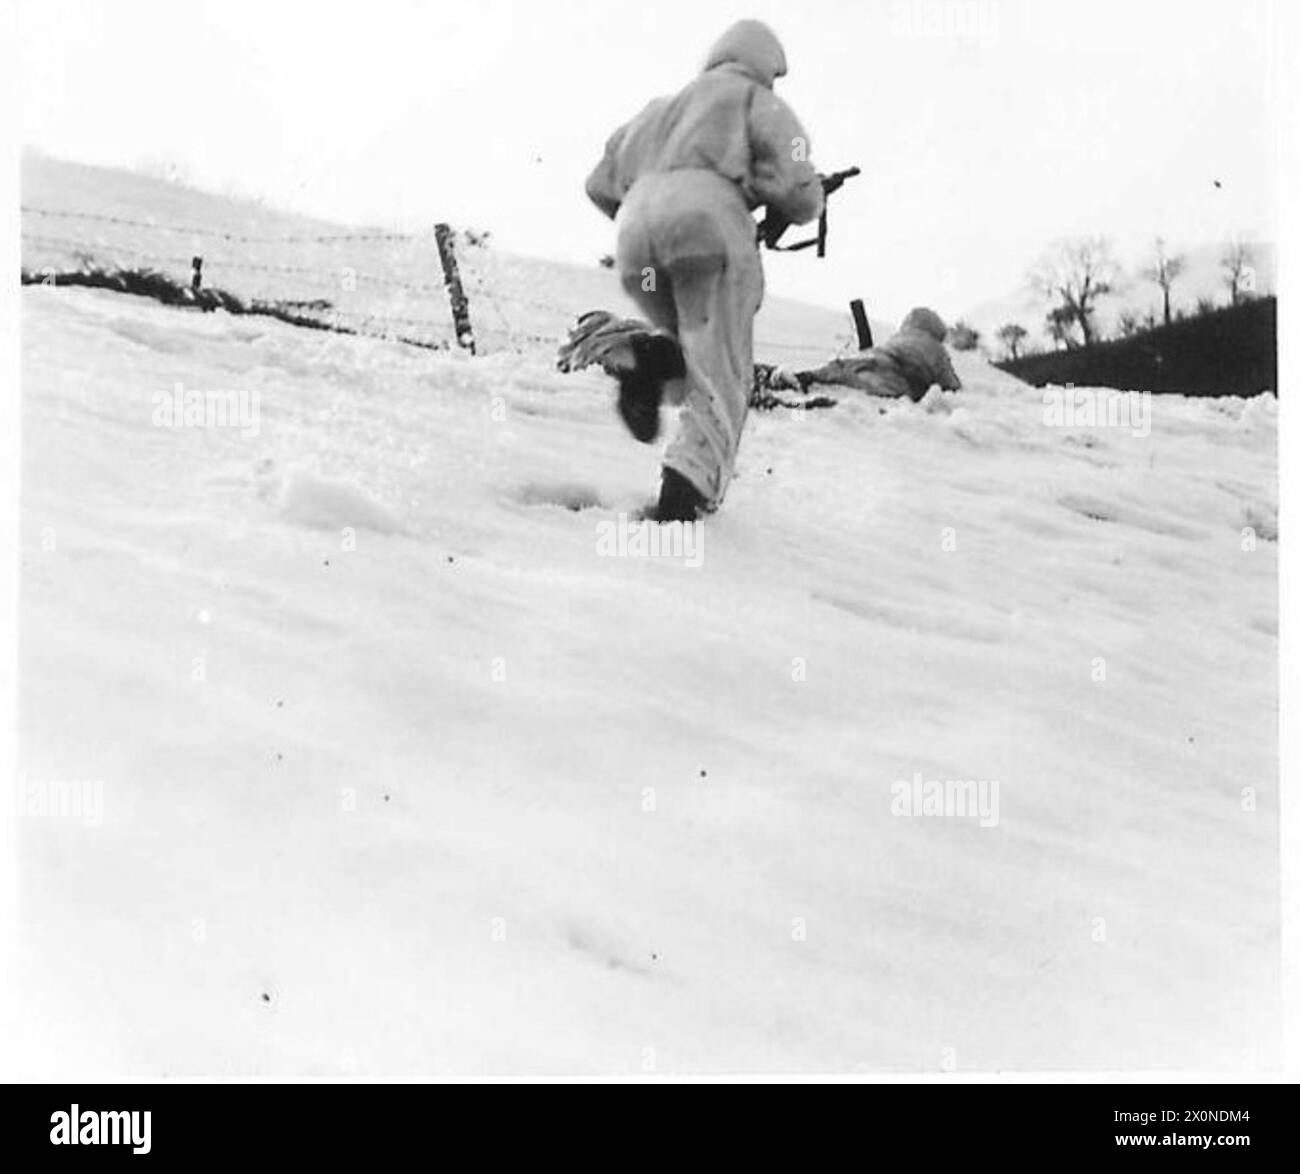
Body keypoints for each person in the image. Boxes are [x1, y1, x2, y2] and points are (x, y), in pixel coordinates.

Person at [585, 19, 823, 521]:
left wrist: (650, 211)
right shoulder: (760, 102)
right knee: (723, 372)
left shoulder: (657, 110)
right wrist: (797, 197)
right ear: (765, 66)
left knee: (696, 344)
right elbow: (800, 187)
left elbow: (598, 182)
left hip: (636, 242)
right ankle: (682, 495)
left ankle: (654, 358)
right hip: (708, 232)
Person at [782, 307, 963, 400]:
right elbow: (951, 385)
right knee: (864, 388)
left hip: (871, 358)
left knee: (835, 371)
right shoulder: (936, 349)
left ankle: (798, 378)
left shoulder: (899, 336)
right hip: (895, 375)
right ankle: (803, 407)